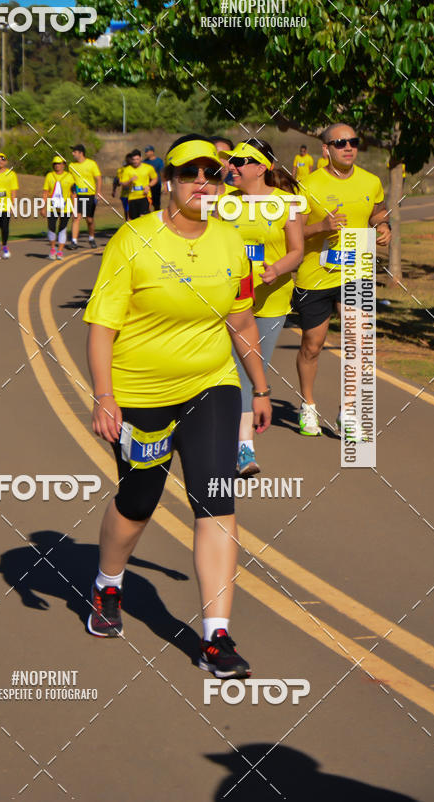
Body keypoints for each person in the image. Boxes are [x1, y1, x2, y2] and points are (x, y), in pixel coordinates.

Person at [83, 135, 271, 678]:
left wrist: (259, 388)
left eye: (212, 174)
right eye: (190, 174)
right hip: (139, 393)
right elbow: (102, 326)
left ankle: (216, 637)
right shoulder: (133, 239)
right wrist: (104, 396)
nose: (202, 184)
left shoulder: (231, 242)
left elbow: (241, 320)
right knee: (139, 499)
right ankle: (108, 584)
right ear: (169, 181)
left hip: (211, 384)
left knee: (216, 500)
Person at [293, 123, 391, 436]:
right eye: (340, 143)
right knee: (312, 345)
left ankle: (347, 412)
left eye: (353, 142)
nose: (348, 147)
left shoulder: (371, 181)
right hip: (316, 275)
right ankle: (308, 405)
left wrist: (383, 227)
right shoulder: (308, 184)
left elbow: (378, 212)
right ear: (326, 149)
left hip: (356, 270)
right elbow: (292, 231)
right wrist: (321, 226)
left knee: (358, 342)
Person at [218, 139, 303, 475]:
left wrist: (276, 269)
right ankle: (238, 443)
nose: (232, 167)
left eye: (240, 161)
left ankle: (240, 444)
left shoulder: (286, 203)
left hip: (271, 299)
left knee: (251, 370)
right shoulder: (224, 202)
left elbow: (297, 251)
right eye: (231, 161)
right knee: (229, 368)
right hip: (230, 299)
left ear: (261, 167)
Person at [68, 144, 101, 250]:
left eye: (74, 152)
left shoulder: (91, 164)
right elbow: (70, 181)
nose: (72, 153)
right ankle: (74, 241)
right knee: (76, 217)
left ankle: (91, 238)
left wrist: (98, 192)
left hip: (90, 195)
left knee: (89, 219)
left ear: (81, 153)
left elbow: (98, 178)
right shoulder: (71, 166)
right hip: (77, 195)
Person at [42, 156, 76, 260]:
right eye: (55, 164)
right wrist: (43, 207)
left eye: (59, 163)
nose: (57, 165)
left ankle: (60, 251)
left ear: (63, 165)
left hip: (66, 208)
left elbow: (73, 194)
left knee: (62, 229)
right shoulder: (49, 176)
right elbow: (45, 192)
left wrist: (75, 208)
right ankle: (53, 249)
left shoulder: (70, 177)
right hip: (52, 208)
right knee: (51, 228)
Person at [118, 149, 157, 220]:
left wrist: (149, 186)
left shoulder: (148, 168)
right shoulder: (127, 170)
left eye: (137, 159)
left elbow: (155, 178)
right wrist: (130, 180)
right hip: (132, 198)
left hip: (145, 196)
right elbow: (123, 184)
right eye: (133, 159)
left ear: (141, 158)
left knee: (143, 217)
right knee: (134, 220)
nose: (135, 161)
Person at [144, 145, 164, 211]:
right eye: (145, 152)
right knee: (146, 203)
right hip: (146, 186)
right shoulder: (144, 162)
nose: (146, 153)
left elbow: (162, 172)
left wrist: (163, 183)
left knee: (156, 204)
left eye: (147, 151)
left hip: (156, 185)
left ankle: (157, 214)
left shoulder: (159, 161)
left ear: (152, 152)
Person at [113, 153, 132, 220]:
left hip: (135, 194)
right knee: (126, 210)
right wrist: (114, 190)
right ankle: (127, 222)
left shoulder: (136, 169)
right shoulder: (121, 170)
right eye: (128, 159)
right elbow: (116, 181)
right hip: (125, 194)